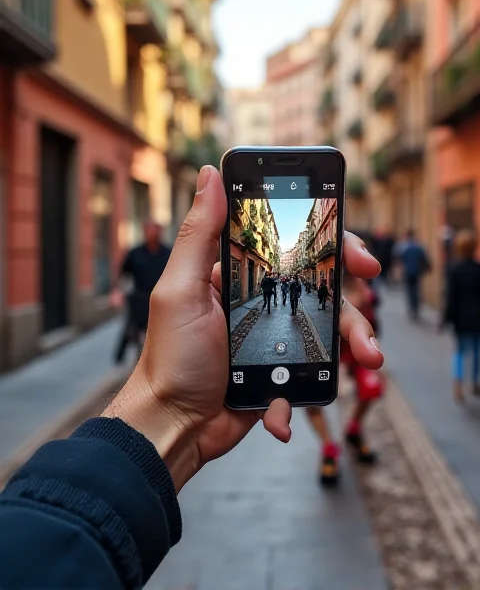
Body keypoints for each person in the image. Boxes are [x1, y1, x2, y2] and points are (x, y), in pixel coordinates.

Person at [0, 166, 383, 588]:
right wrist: (169, 404)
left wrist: (170, 411)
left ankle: (338, 437)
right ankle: (333, 441)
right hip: (145, 324)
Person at [306, 271, 383, 486]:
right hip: (325, 349)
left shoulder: (356, 279)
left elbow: (367, 304)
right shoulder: (322, 279)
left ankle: (353, 430)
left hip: (353, 350)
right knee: (311, 398)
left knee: (371, 388)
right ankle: (329, 447)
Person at [441, 230, 480, 404]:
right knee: (477, 351)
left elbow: (451, 297)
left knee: (460, 352)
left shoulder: (453, 268)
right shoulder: (479, 267)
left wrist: (445, 319)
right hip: (477, 314)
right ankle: (476, 382)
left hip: (461, 317)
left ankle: (458, 385)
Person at [111, 221, 172, 363]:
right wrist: (116, 291)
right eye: (149, 231)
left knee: (159, 331)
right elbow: (122, 273)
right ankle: (123, 357)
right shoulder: (135, 253)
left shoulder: (168, 253)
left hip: (161, 300)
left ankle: (154, 358)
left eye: (155, 231)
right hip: (140, 299)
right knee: (132, 328)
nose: (152, 234)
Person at [398, 228, 431, 321]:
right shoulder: (419, 247)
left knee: (409, 290)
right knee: (416, 289)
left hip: (408, 271)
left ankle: (412, 307)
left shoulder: (405, 247)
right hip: (417, 271)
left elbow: (401, 259)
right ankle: (416, 307)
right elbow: (424, 258)